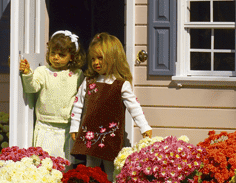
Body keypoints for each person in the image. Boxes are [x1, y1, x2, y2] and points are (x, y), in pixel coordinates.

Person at [70, 32, 152, 174]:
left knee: (111, 168)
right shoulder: (89, 81)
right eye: (93, 59)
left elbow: (134, 107)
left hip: (111, 135)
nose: (96, 62)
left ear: (113, 58)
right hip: (91, 133)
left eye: (100, 58)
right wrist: (74, 126)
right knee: (91, 166)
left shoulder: (121, 84)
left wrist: (144, 127)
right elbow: (78, 105)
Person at [19, 30, 83, 160]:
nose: (56, 57)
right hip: (45, 126)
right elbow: (32, 87)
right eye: (53, 53)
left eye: (61, 54)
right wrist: (27, 73)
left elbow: (82, 98)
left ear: (71, 56)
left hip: (66, 127)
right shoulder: (43, 72)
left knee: (65, 162)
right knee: (44, 161)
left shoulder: (77, 74)